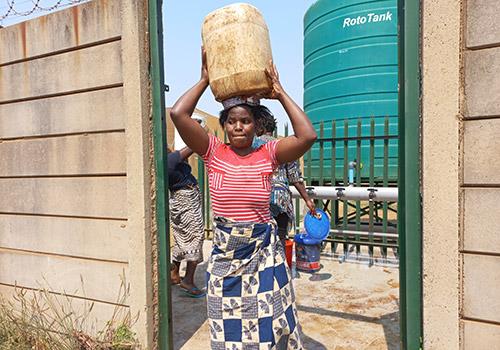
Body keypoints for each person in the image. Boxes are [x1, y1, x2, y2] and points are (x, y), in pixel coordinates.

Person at [170, 49, 316, 349]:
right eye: (232, 121)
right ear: (224, 125)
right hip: (227, 256)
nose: (238, 127)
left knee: (270, 319)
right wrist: (204, 80)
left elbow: (307, 136)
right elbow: (177, 114)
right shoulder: (213, 152)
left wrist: (281, 93)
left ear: (255, 125)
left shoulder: (268, 154)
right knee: (227, 323)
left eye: (246, 121)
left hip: (262, 253)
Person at [253, 112, 316, 246]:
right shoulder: (284, 145)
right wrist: (307, 200)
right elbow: (295, 177)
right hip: (281, 200)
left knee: (260, 241)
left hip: (258, 199)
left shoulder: (251, 145)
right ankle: (279, 264)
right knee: (280, 239)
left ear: (259, 127)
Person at [167, 146, 205, 298]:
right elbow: (192, 146)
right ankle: (188, 280)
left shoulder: (166, 163)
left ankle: (174, 274)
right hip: (186, 200)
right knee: (196, 236)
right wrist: (198, 130)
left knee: (181, 237)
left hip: (178, 199)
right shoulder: (169, 159)